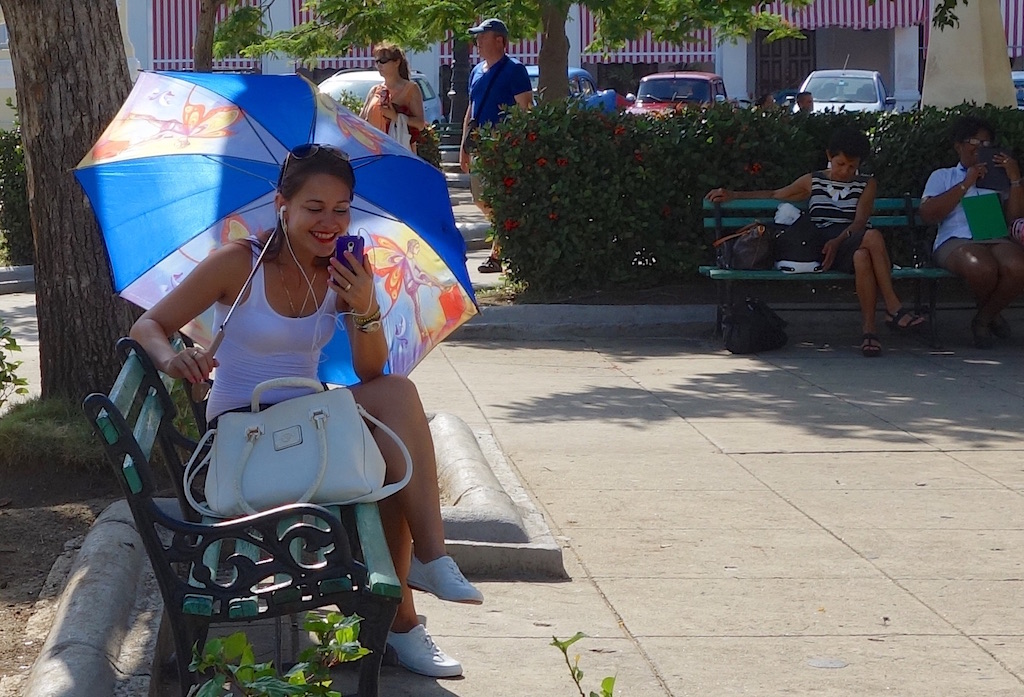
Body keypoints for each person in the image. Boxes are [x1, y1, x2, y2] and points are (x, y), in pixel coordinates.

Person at [129, 145, 482, 679]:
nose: (329, 222)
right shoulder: (239, 264)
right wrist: (175, 357)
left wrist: (365, 306)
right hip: (244, 436)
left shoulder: (344, 270)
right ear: (283, 205)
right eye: (314, 208)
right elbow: (148, 327)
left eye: (341, 209)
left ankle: (428, 568)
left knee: (396, 407)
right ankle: (404, 622)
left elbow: (371, 372)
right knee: (385, 453)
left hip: (302, 425)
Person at [706, 127, 927, 357]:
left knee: (864, 251)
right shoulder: (814, 180)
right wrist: (734, 195)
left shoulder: (866, 183)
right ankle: (893, 309)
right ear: (829, 156)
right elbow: (775, 194)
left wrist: (838, 240)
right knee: (869, 242)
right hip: (820, 244)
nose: (845, 171)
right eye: (840, 164)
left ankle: (869, 331)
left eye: (852, 166)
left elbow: (860, 222)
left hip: (850, 238)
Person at [919, 115, 1024, 348]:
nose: (980, 148)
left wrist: (1015, 180)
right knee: (982, 267)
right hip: (955, 241)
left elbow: (1015, 219)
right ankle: (993, 315)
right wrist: (966, 183)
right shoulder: (943, 176)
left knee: (1018, 266)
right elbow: (928, 214)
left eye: (986, 144)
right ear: (959, 145)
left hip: (994, 236)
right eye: (974, 142)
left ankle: (984, 318)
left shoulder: (998, 178)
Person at [459, 18, 532, 274]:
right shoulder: (476, 71)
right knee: (480, 199)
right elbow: (472, 109)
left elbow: (525, 108)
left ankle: (497, 254)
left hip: (503, 147)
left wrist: (519, 144)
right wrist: (463, 147)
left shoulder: (515, 70)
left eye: (483, 36)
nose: (478, 42)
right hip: (478, 145)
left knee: (498, 199)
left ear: (499, 40)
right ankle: (508, 235)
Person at [359, 44, 425, 153]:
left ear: (397, 62)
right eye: (377, 61)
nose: (379, 65)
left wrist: (395, 116)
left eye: (383, 60)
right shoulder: (375, 90)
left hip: (398, 151)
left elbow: (420, 124)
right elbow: (360, 122)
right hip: (373, 150)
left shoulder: (410, 89)